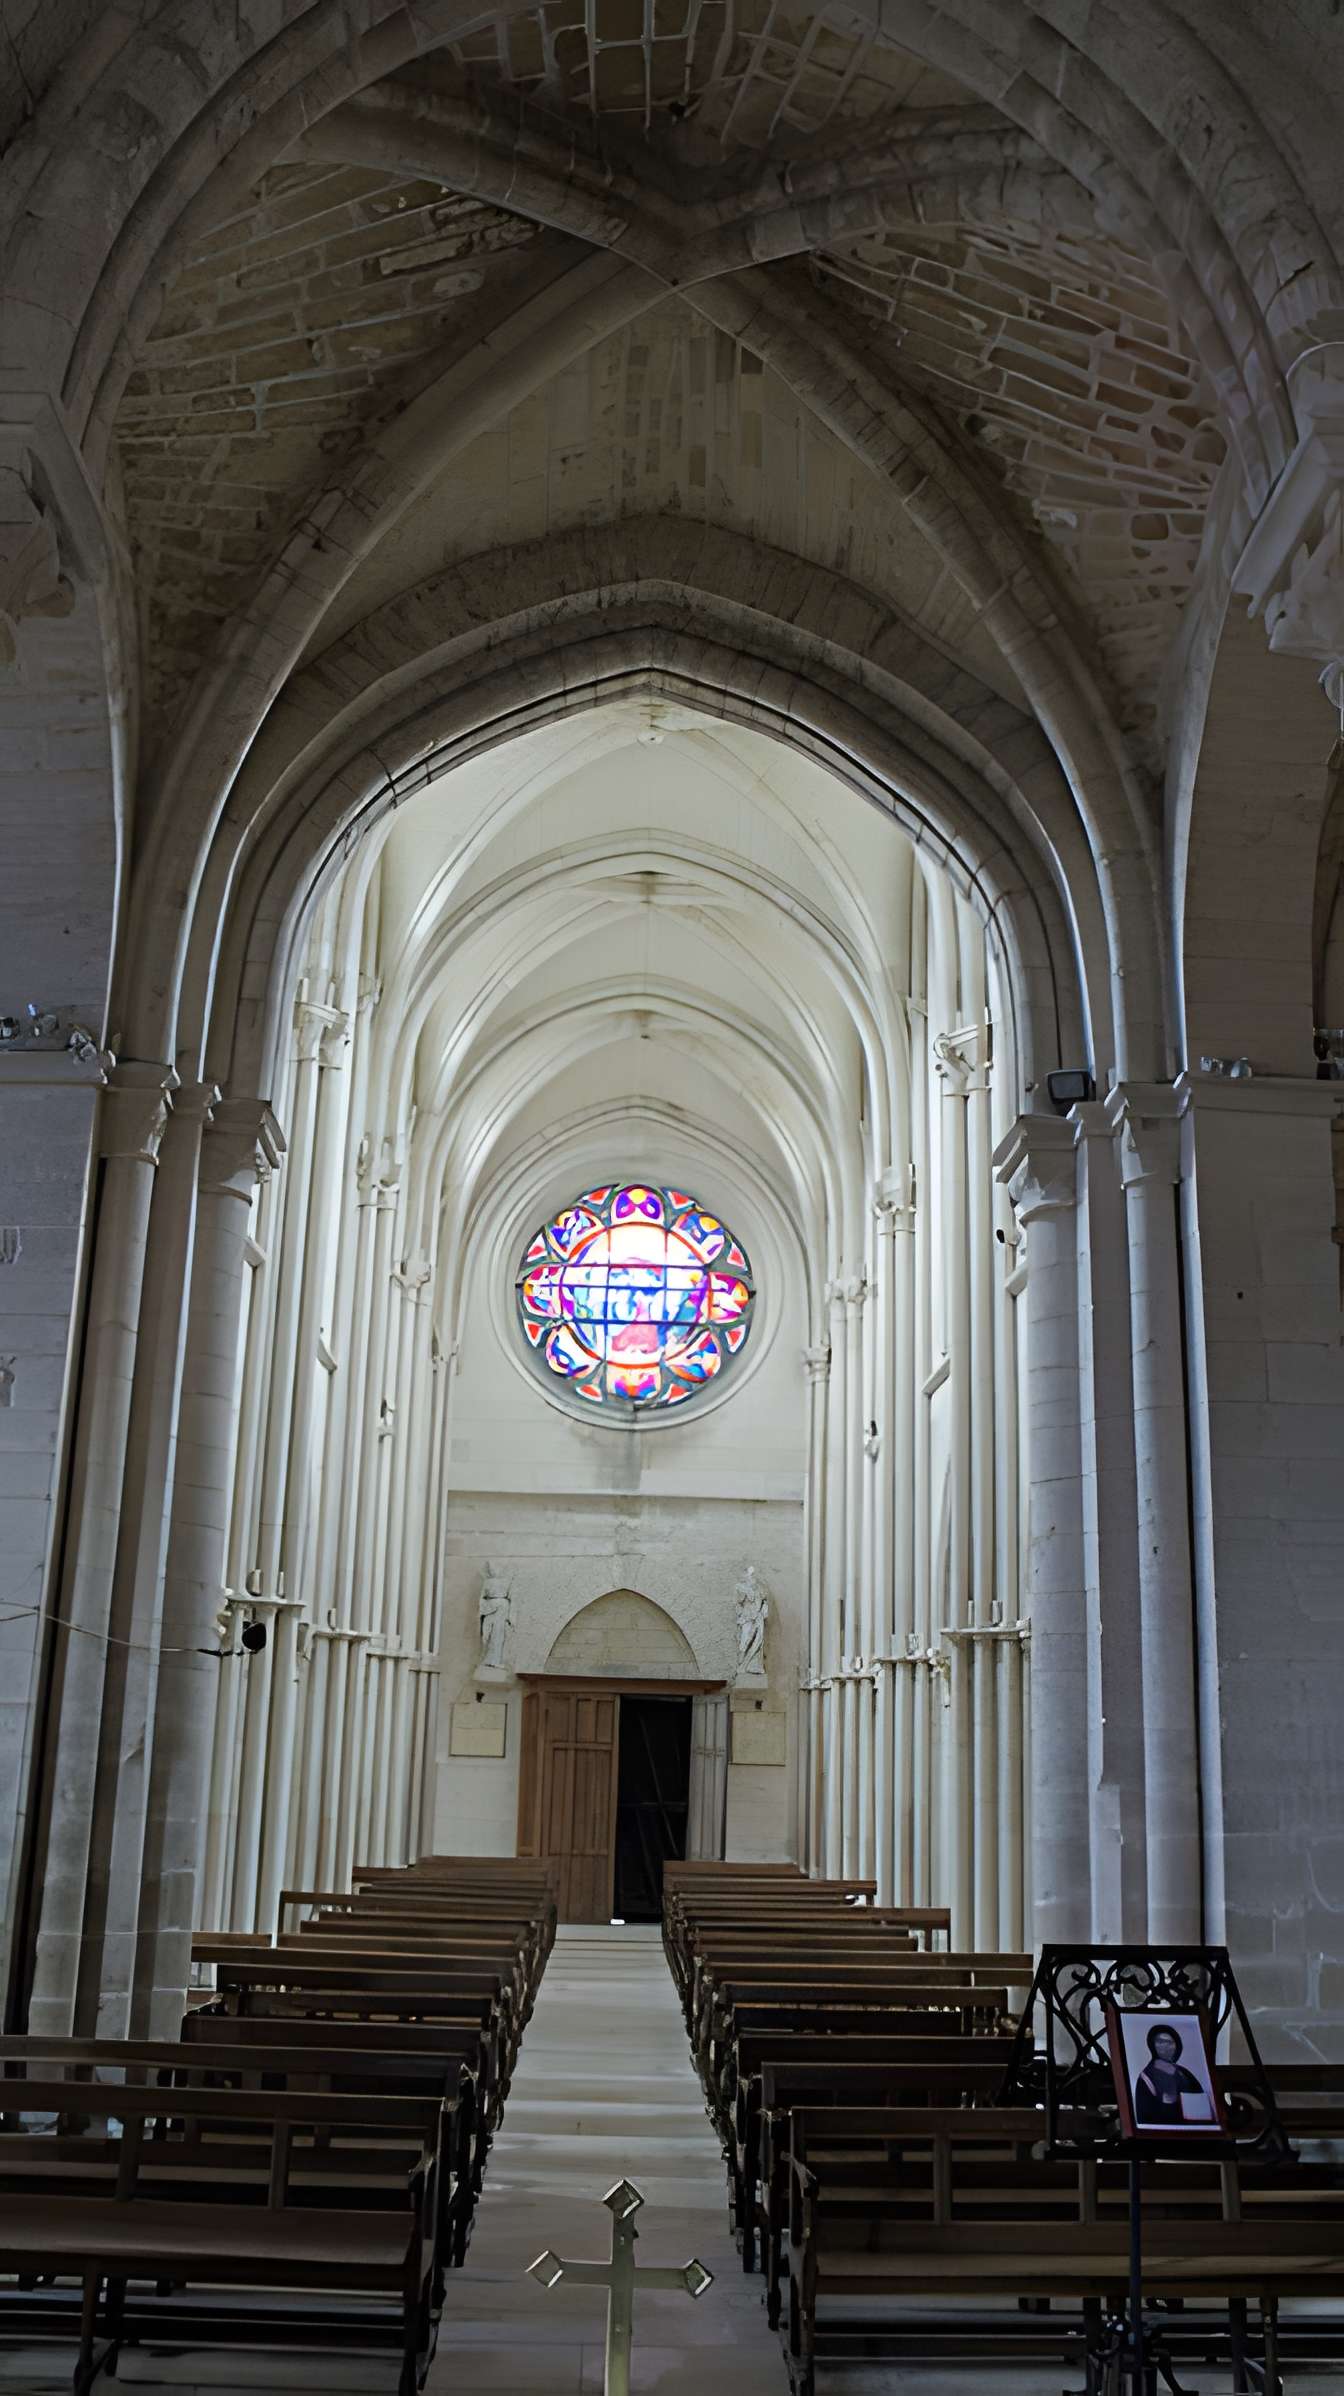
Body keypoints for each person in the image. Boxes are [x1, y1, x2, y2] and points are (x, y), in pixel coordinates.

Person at [1132, 2022, 1211, 2124]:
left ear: (1177, 2046)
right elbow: (1145, 2120)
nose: (1165, 2046)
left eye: (1170, 2042)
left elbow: (1202, 2111)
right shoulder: (1146, 2078)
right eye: (1160, 2041)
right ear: (1152, 2045)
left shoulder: (1185, 2075)